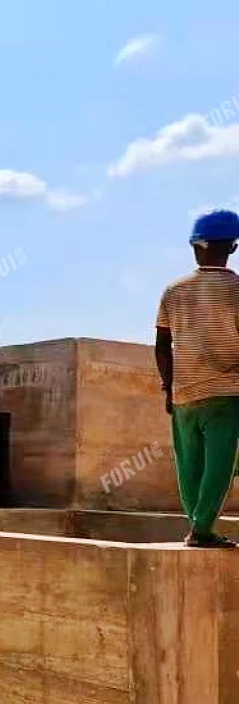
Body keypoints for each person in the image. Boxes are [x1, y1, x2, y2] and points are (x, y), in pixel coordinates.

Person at [155, 208, 239, 548]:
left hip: (184, 392)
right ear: (233, 247)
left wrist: (168, 386)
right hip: (225, 392)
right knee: (219, 464)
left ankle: (196, 525)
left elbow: (162, 345)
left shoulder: (173, 290)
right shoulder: (237, 289)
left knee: (189, 463)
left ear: (194, 246)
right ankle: (202, 530)